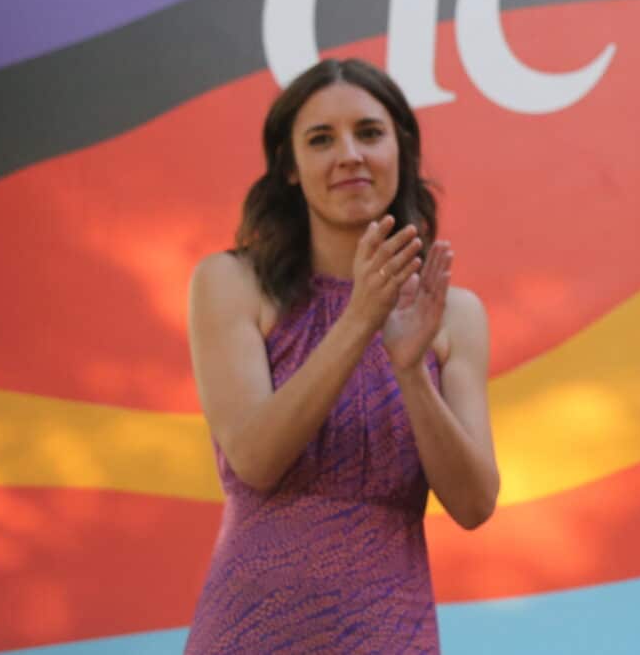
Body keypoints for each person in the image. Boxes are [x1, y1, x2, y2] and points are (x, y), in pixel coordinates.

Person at [184, 57, 500, 653]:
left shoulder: (454, 314)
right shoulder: (230, 282)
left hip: (390, 633)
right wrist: (360, 319)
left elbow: (475, 503)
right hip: (252, 631)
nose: (349, 155)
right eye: (321, 140)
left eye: (369, 133)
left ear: (401, 150)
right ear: (290, 168)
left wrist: (410, 370)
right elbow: (253, 457)